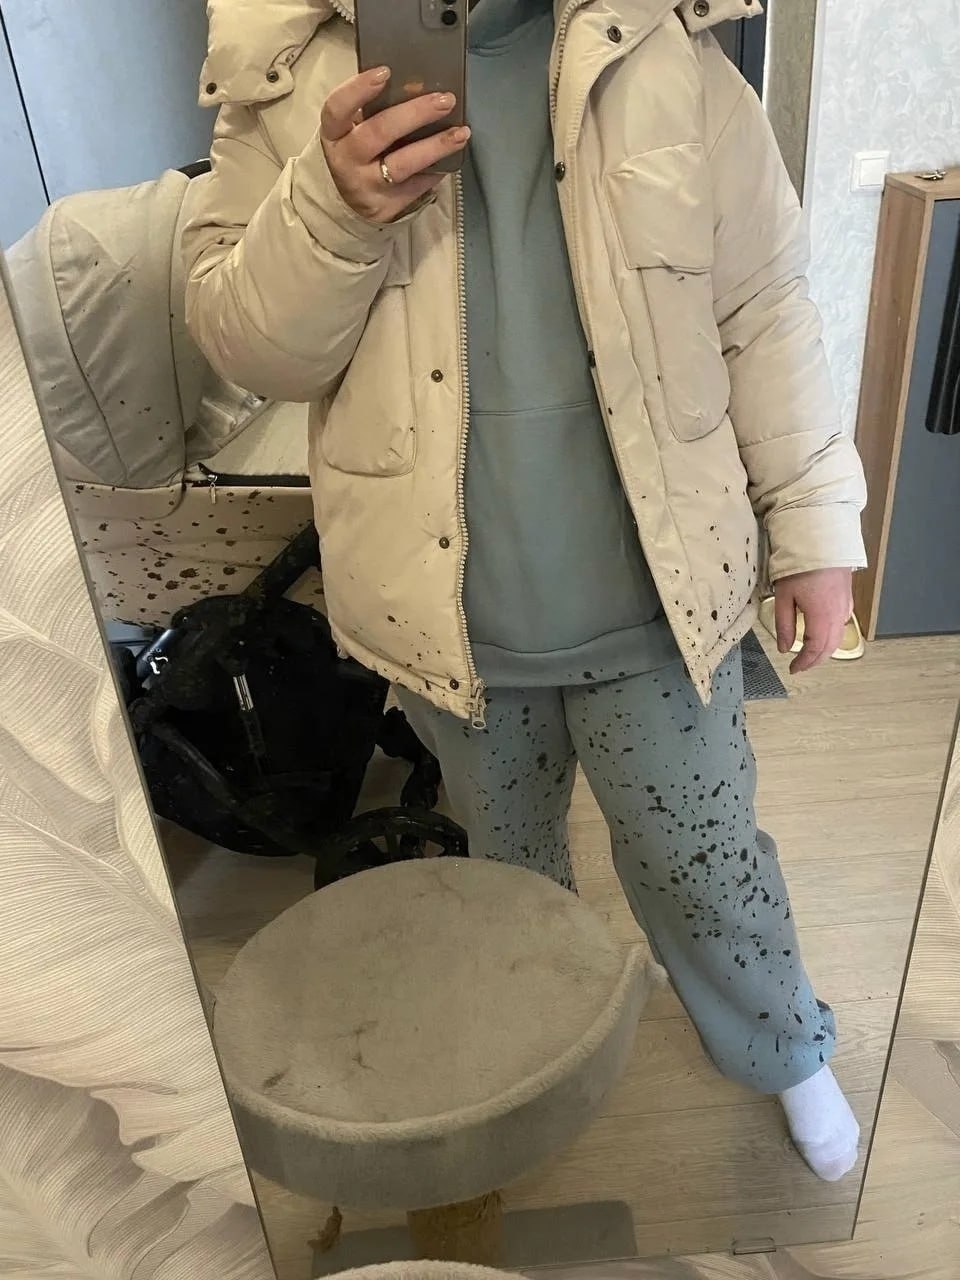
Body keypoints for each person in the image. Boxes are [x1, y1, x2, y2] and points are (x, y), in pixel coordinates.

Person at [183, 0, 867, 1182]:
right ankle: (542, 1055)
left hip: (655, 595)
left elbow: (762, 304)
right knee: (508, 873)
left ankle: (783, 1044)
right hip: (451, 616)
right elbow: (248, 349)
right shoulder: (283, 72)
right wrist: (330, 208)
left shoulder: (669, 47)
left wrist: (813, 522)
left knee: (705, 858)